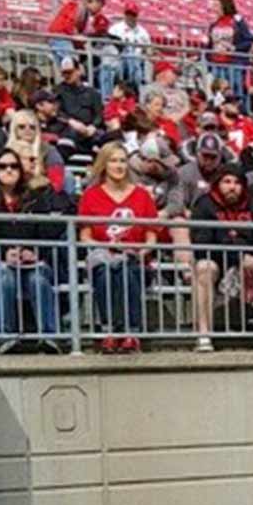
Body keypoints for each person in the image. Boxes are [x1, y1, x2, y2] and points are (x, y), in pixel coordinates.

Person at [0, 147, 70, 353]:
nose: (9, 170)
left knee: (38, 277)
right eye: (2, 166)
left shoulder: (35, 198)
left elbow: (44, 231)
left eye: (14, 166)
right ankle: (2, 337)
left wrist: (33, 252)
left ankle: (50, 336)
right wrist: (4, 253)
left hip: (30, 259)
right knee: (3, 274)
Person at [189, 162, 253, 350]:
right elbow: (202, 245)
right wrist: (240, 256)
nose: (232, 187)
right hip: (217, 260)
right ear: (218, 184)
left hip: (251, 261)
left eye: (237, 182)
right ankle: (203, 335)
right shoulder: (204, 205)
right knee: (204, 268)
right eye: (227, 181)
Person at [76, 140, 158, 353]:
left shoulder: (142, 195)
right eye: (113, 161)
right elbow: (85, 236)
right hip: (104, 256)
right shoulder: (91, 195)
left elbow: (151, 237)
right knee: (106, 272)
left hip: (135, 259)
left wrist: (141, 251)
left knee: (125, 270)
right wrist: (106, 247)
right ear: (104, 164)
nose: (119, 166)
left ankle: (131, 331)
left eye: (123, 161)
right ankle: (110, 331)